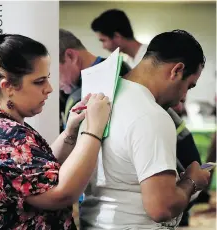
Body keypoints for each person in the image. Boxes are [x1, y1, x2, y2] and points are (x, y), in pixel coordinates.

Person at [0, 23, 111, 229]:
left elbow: (35, 174)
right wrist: (94, 130)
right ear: (8, 87)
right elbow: (60, 194)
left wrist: (70, 132)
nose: (49, 89)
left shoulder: (0, 127)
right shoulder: (2, 136)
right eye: (39, 82)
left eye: (47, 78)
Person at [80, 29, 210, 230]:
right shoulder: (152, 115)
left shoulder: (101, 97)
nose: (183, 97)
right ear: (177, 70)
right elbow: (161, 208)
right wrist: (192, 181)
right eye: (189, 86)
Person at [59, 28, 131, 124]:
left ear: (70, 56)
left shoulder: (118, 73)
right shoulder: (71, 88)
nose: (52, 85)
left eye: (53, 71)